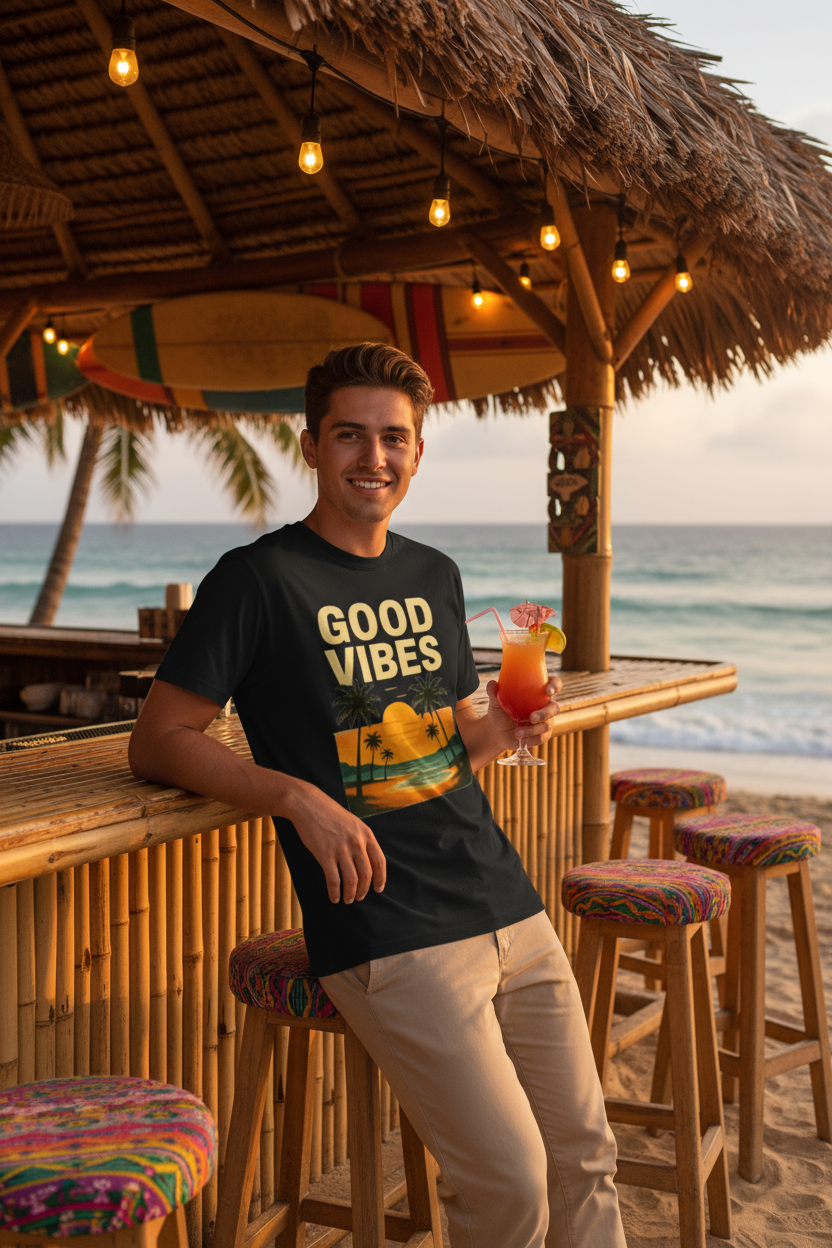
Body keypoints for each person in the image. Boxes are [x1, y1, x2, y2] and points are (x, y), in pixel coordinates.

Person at [128, 342, 626, 1248]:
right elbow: (157, 740)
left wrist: (506, 730)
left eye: (394, 438)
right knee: (511, 1184)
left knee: (587, 1156)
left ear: (419, 452)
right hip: (387, 928)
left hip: (505, 899)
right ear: (311, 444)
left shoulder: (434, 575)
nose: (374, 457)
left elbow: (452, 739)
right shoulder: (257, 581)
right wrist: (295, 798)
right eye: (350, 435)